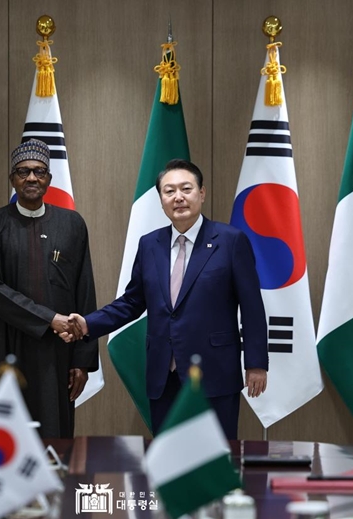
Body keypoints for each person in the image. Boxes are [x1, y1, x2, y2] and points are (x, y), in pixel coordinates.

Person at [63, 159, 268, 439]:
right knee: (168, 464)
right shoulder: (150, 244)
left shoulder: (231, 241)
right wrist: (87, 324)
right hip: (164, 375)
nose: (178, 197)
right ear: (161, 200)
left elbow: (252, 307)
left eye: (186, 188)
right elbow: (132, 302)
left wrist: (256, 363)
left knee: (216, 461)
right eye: (169, 191)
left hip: (214, 372)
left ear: (202, 193)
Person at [0, 138, 98, 438]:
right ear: (12, 178)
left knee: (56, 435)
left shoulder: (72, 224)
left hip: (59, 351)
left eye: (40, 171)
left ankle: (56, 487)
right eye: (23, 171)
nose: (32, 177)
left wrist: (82, 361)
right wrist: (48, 319)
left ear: (49, 180)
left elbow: (85, 292)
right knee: (8, 437)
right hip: (7, 346)